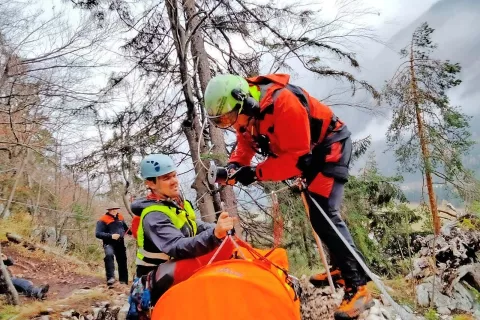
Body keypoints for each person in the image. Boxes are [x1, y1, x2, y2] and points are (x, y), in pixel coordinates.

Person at [203, 73, 373, 320]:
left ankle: (358, 288)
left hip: (329, 146)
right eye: (222, 121)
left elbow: (295, 161)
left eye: (229, 116)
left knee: (325, 214)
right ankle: (340, 268)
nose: (229, 123)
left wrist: (256, 173)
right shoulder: (246, 113)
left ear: (244, 101)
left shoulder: (284, 104)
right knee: (318, 217)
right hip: (310, 154)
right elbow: (246, 143)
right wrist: (234, 166)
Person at [131, 153, 234, 277]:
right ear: (151, 184)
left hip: (172, 270)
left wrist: (214, 228)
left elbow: (192, 225)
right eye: (166, 178)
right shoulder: (154, 216)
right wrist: (214, 235)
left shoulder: (175, 203)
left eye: (174, 175)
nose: (174, 181)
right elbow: (177, 247)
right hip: (155, 280)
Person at [95, 205, 131, 286]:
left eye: (116, 209)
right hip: (109, 243)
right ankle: (111, 279)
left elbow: (125, 229)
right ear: (109, 210)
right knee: (109, 256)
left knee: (122, 261)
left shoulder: (120, 217)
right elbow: (98, 234)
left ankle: (123, 281)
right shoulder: (103, 219)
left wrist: (133, 232)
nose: (114, 210)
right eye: (112, 209)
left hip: (120, 242)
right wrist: (111, 236)